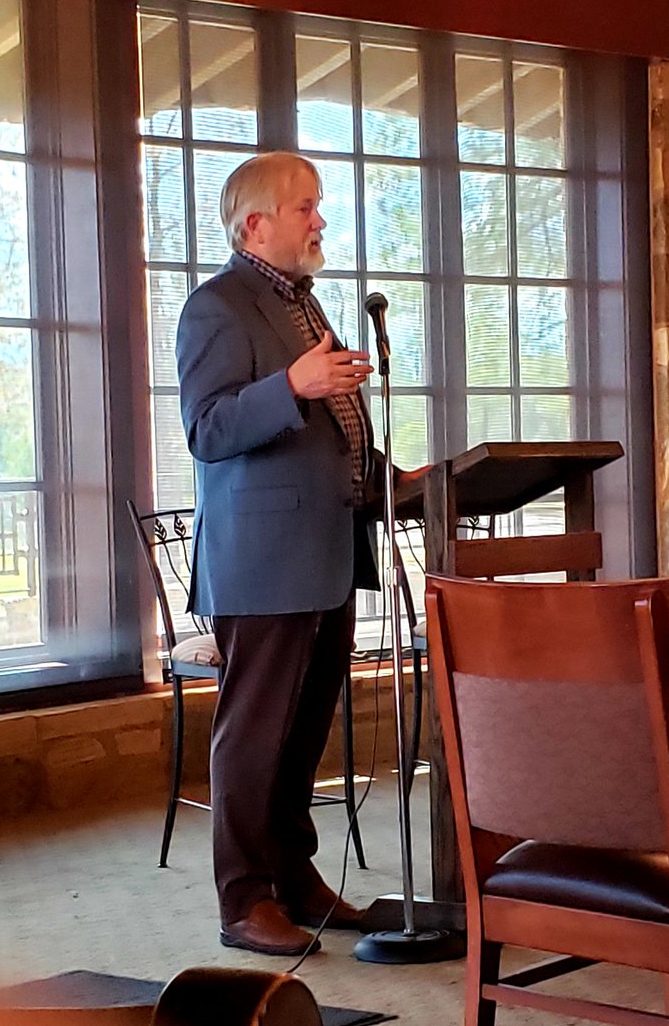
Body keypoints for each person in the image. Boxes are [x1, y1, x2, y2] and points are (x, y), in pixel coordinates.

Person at [176, 151, 420, 957]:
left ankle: (293, 876)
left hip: (327, 548)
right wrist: (293, 387)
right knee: (255, 734)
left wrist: (401, 479)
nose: (320, 221)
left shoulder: (304, 305)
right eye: (306, 207)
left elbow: (335, 430)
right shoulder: (218, 307)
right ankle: (243, 900)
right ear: (256, 224)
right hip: (263, 558)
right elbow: (208, 429)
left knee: (305, 730)